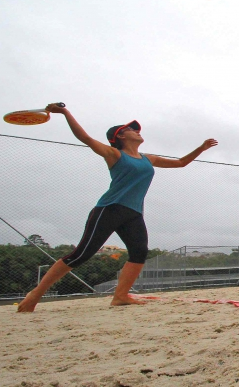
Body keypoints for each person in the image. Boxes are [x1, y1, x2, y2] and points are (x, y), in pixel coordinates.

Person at [17, 104, 218, 312]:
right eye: (132, 129)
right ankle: (35, 294)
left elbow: (181, 163)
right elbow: (84, 138)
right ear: (120, 136)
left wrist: (201, 148)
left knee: (139, 252)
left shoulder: (148, 159)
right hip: (110, 209)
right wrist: (65, 112)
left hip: (133, 213)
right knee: (82, 254)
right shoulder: (114, 154)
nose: (137, 131)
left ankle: (120, 296)